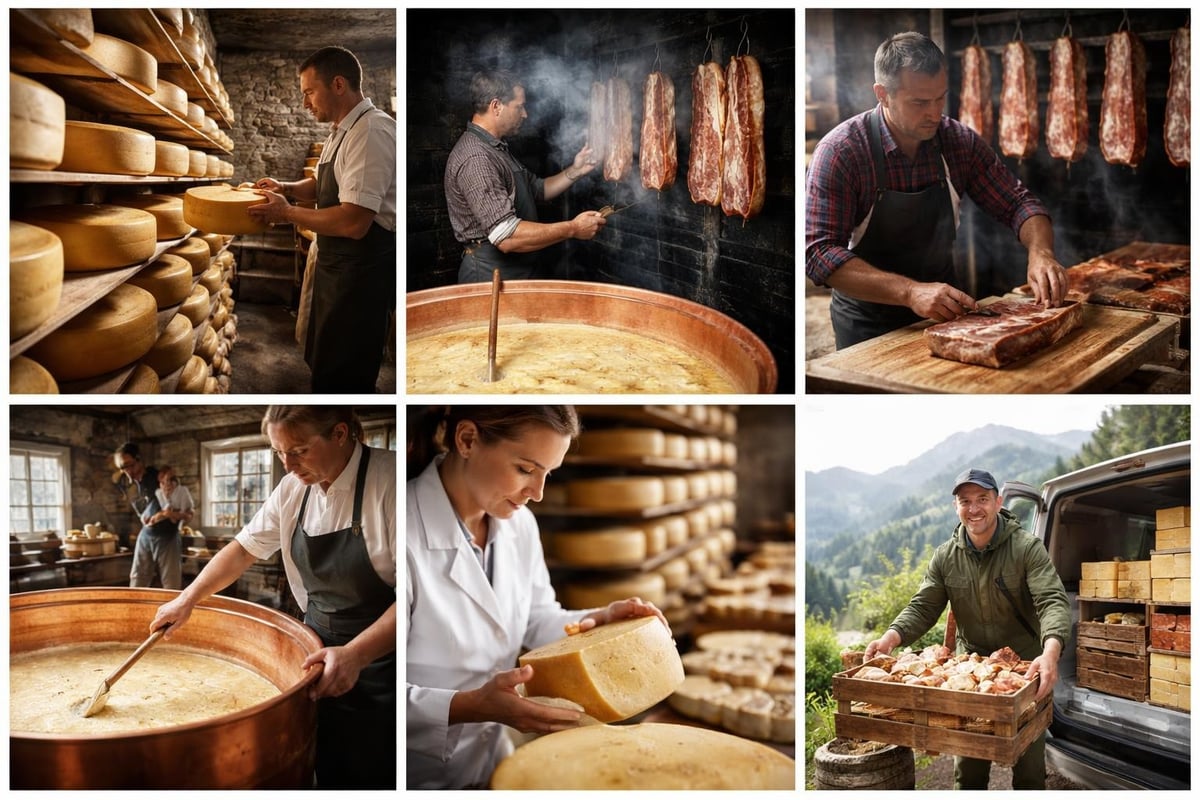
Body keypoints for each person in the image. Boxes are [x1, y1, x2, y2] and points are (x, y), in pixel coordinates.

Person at [406, 406, 669, 789]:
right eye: (525, 469)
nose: (538, 493)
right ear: (467, 440)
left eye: (548, 474)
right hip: (415, 772)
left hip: (491, 757)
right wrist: (470, 706)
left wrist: (600, 621)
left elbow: (536, 618)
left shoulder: (520, 525)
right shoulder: (402, 529)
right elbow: (377, 692)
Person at [150, 407, 396, 789]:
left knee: (372, 768)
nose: (288, 466)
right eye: (280, 453)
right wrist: (188, 598)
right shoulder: (293, 489)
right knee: (319, 755)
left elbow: (417, 597)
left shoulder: (392, 482)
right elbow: (243, 550)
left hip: (385, 660)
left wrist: (356, 655)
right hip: (314, 648)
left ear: (339, 434)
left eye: (299, 451)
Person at [806, 31, 1068, 349]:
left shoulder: (958, 142)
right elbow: (819, 253)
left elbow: (1018, 203)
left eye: (939, 98)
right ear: (883, 94)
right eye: (919, 102)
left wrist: (1040, 252)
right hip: (867, 323)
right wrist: (910, 292)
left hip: (945, 314)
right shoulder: (841, 152)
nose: (934, 113)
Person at [863, 468, 1071, 790]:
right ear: (956, 507)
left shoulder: (1026, 548)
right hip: (969, 673)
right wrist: (890, 637)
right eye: (965, 501)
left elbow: (1052, 600)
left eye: (982, 499)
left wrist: (1051, 652)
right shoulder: (945, 557)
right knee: (969, 764)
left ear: (998, 502)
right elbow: (923, 606)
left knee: (1029, 764)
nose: (974, 508)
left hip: (1025, 669)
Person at [250, 46, 396, 393]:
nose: (305, 103)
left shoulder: (371, 132)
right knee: (326, 364)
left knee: (346, 374)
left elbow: (353, 222)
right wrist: (285, 187)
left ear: (339, 84)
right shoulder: (341, 131)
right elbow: (320, 185)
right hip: (337, 271)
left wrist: (285, 212)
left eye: (309, 92)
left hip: (358, 278)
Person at [444, 70, 607, 283]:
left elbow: (537, 189)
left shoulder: (496, 148)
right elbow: (506, 236)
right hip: (490, 277)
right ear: (496, 106)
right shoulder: (477, 157)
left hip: (518, 272)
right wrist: (573, 228)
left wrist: (576, 170)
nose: (525, 114)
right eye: (519, 107)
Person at [115, 443, 182, 590]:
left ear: (139, 459)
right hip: (147, 533)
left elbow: (177, 505)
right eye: (123, 467)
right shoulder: (130, 485)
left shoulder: (159, 478)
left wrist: (160, 514)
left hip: (167, 535)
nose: (128, 471)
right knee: (137, 580)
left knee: (171, 584)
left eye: (130, 465)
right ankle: (135, 605)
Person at [148, 465, 195, 533]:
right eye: (163, 482)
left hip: (182, 517)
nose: (168, 484)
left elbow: (185, 512)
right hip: (167, 521)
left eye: (171, 480)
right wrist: (166, 496)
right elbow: (165, 509)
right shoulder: (159, 492)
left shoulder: (182, 490)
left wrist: (173, 514)